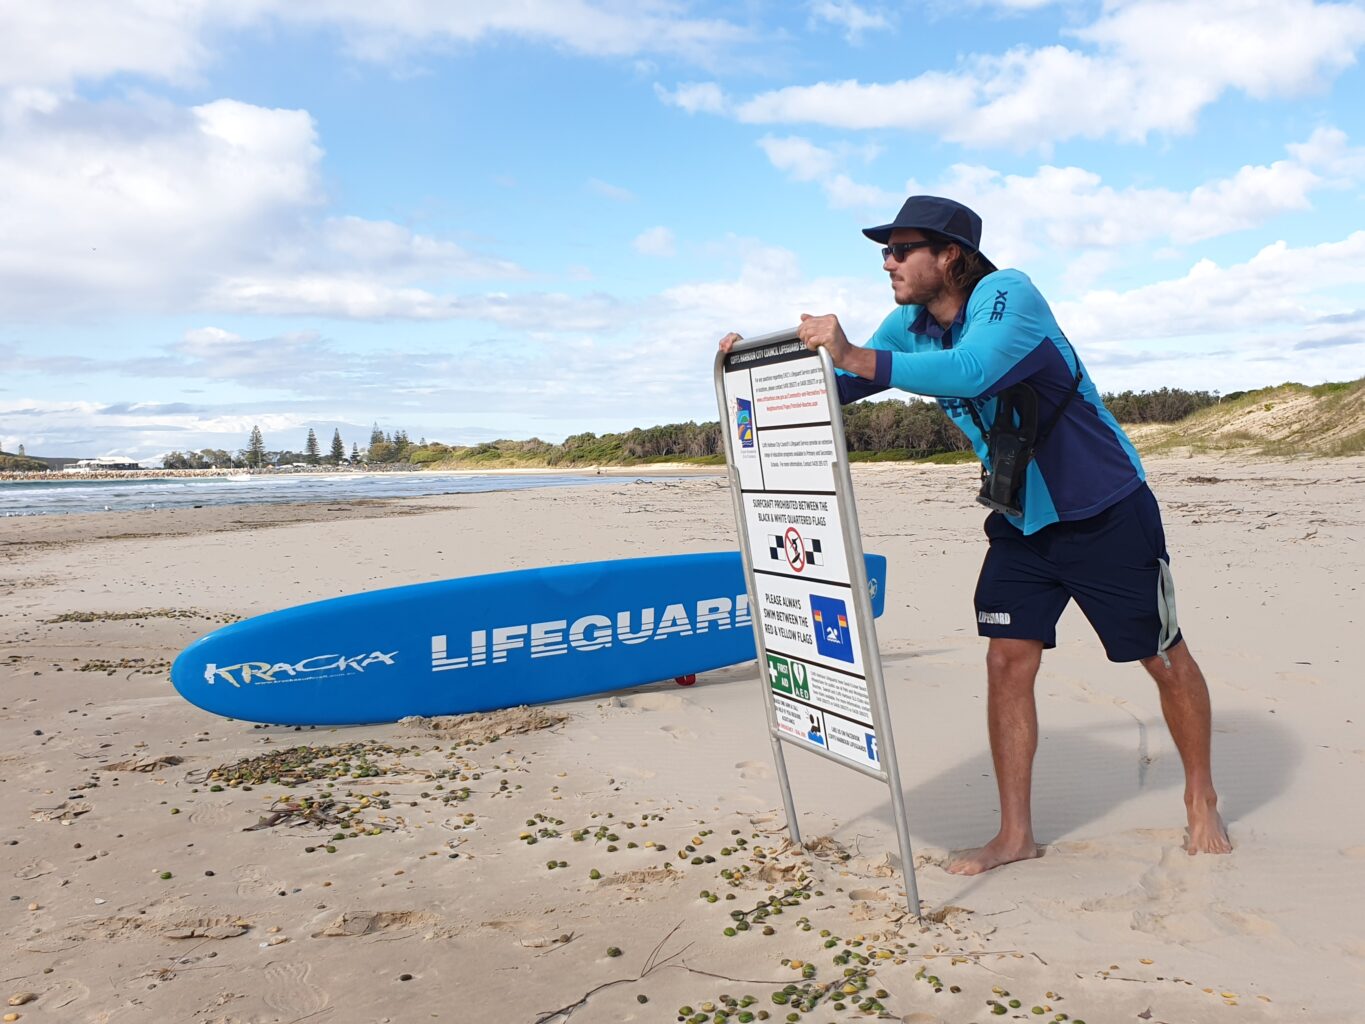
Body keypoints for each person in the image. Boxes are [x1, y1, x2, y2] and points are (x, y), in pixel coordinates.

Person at [718, 196, 1231, 875]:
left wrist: (853, 353)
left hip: (1105, 510)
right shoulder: (909, 325)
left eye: (901, 251)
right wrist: (750, 368)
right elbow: (838, 384)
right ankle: (1013, 834)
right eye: (884, 252)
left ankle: (1200, 794)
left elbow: (973, 372)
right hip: (1020, 520)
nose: (889, 264)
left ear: (949, 255)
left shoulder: (1006, 295)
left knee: (1161, 656)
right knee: (1005, 662)